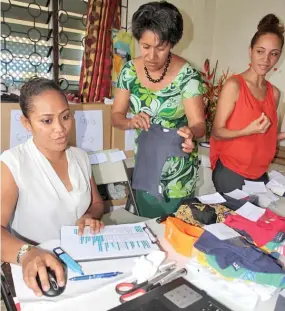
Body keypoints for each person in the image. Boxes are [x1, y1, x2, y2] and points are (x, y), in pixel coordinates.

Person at [1, 78, 104, 296]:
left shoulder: (81, 157)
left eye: (65, 117)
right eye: (47, 121)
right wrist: (27, 254)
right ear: (27, 124)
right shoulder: (13, 164)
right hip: (38, 269)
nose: (60, 129)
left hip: (83, 258)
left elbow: (96, 203)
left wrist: (89, 216)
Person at [111, 1, 206, 218]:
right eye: (145, 47)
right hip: (146, 166)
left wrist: (192, 133)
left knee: (177, 232)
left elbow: (199, 125)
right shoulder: (128, 72)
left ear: (172, 43)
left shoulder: (188, 77)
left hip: (178, 174)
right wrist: (130, 122)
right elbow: (116, 117)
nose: (152, 56)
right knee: (148, 231)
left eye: (161, 48)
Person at [210, 14, 285, 193]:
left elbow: (266, 137)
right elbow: (216, 132)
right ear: (250, 50)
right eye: (260, 51)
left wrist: (281, 136)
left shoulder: (274, 93)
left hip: (259, 173)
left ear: (279, 56)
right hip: (230, 171)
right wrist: (247, 130)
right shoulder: (234, 85)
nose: (266, 59)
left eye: (273, 54)